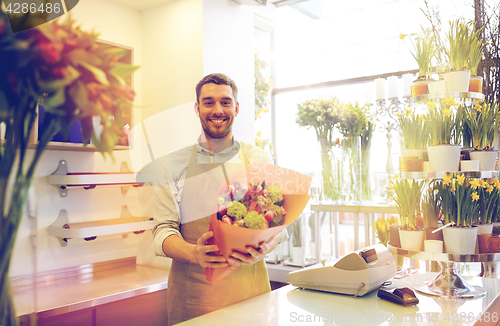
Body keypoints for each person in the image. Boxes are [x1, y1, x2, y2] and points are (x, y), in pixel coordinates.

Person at [151, 73, 286, 325]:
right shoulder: (171, 165)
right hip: (195, 301)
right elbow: (162, 230)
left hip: (252, 296)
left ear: (236, 107)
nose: (217, 110)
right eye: (208, 102)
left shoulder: (258, 160)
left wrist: (265, 247)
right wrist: (194, 253)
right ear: (197, 108)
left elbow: (277, 224)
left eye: (225, 102)